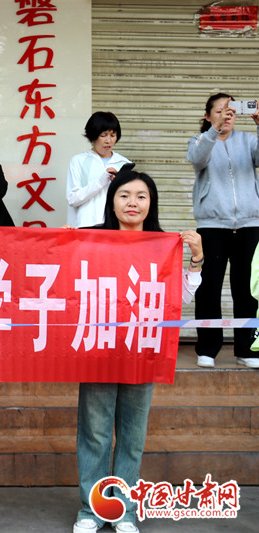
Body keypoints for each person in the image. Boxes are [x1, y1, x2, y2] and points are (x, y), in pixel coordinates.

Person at [72, 168, 203, 533]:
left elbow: (180, 298)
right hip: (99, 350)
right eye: (124, 195)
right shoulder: (91, 239)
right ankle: (91, 510)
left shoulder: (163, 244)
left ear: (151, 203)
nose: (133, 202)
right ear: (112, 202)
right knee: (95, 434)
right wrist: (63, 245)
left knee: (132, 437)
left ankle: (123, 512)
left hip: (142, 351)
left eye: (141, 196)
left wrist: (196, 259)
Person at [187, 93, 259, 369]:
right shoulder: (199, 141)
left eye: (230, 111)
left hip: (250, 225)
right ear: (208, 116)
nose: (226, 115)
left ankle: (247, 349)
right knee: (208, 288)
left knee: (247, 290)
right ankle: (207, 348)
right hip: (212, 226)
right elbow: (197, 159)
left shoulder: (248, 140)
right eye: (219, 111)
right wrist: (214, 131)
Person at [66, 111, 131, 227]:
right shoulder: (79, 161)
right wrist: (100, 182)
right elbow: (72, 199)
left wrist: (118, 184)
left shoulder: (124, 163)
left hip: (115, 226)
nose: (108, 141)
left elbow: (129, 199)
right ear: (93, 136)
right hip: (85, 226)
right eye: (103, 135)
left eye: (113, 135)